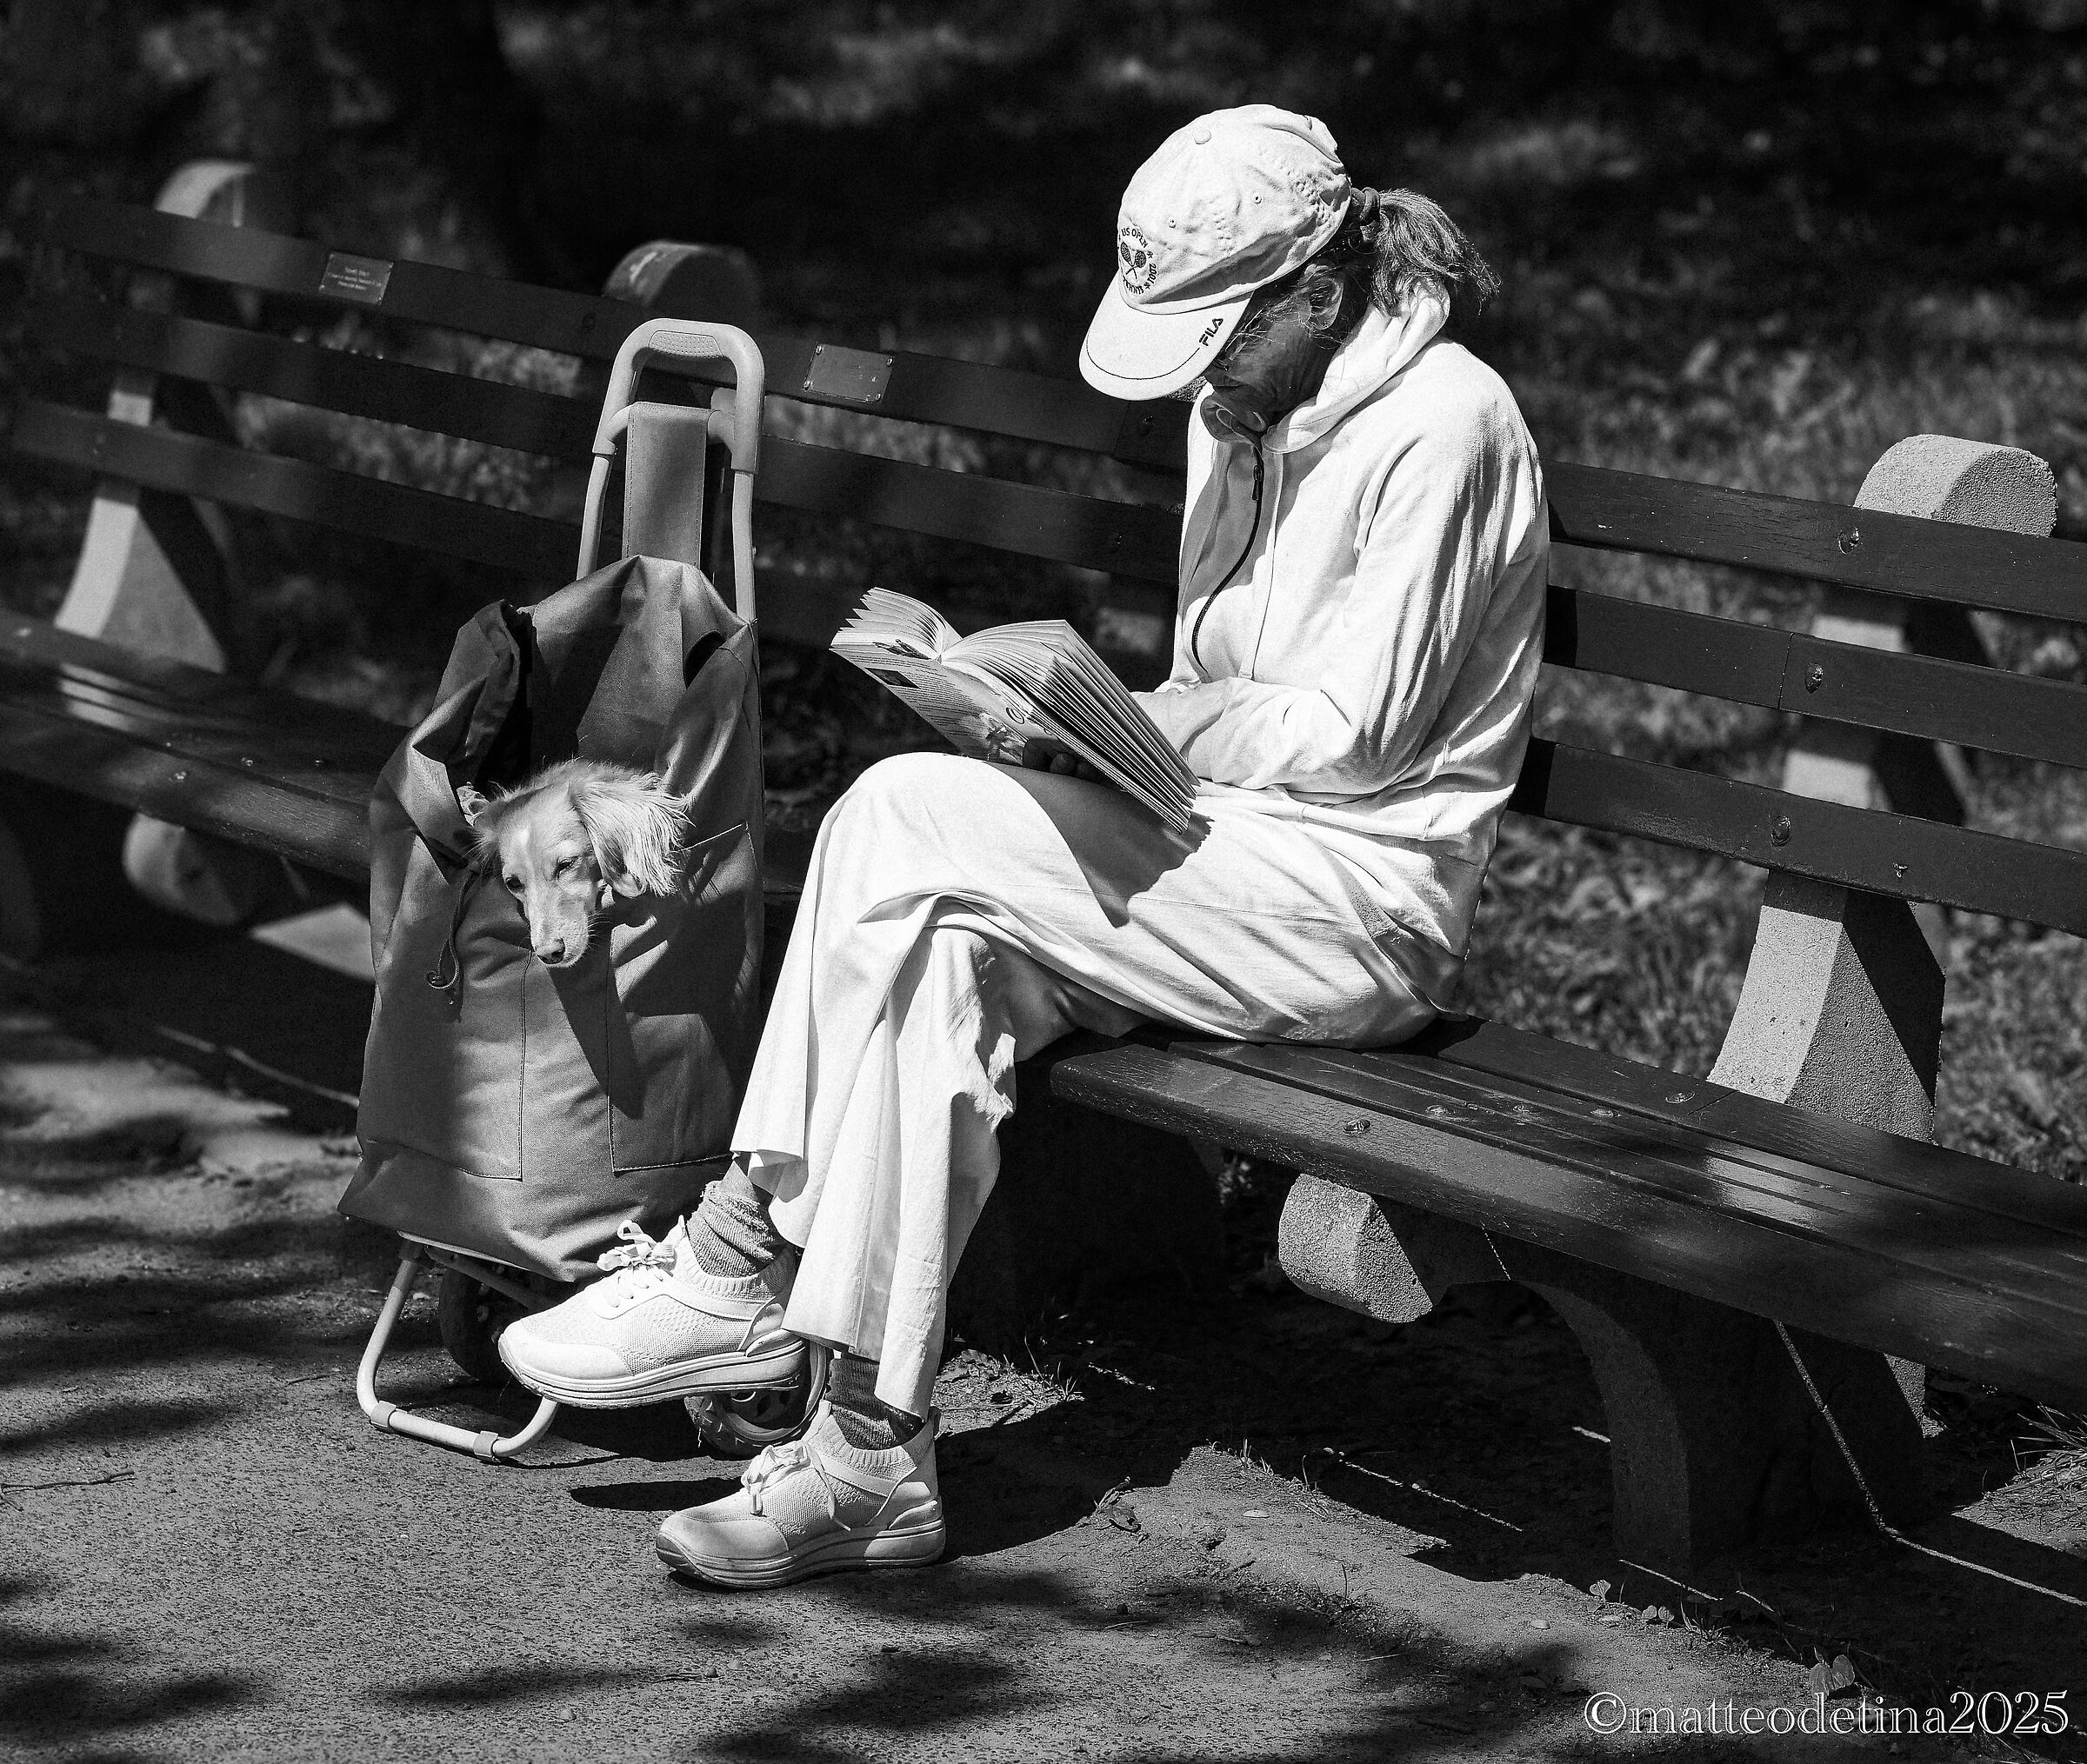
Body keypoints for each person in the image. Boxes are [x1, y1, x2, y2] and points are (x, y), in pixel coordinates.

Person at [497, 103, 1550, 1588]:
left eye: (1216, 338)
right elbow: (1223, 675)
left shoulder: (1449, 422)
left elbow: (1355, 734)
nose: (1198, 377)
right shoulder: (1239, 410)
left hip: (1355, 902)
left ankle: (742, 1250)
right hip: (1204, 855)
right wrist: (1056, 728)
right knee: (940, 959)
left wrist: (1146, 726)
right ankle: (869, 1460)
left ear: (1317, 290)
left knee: (896, 815)